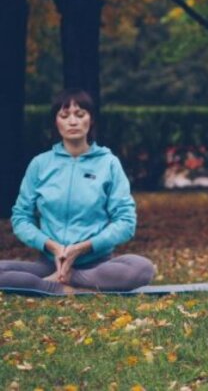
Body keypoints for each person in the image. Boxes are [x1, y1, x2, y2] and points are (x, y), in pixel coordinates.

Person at [0, 89, 155, 294]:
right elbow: (20, 217)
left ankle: (68, 279)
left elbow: (126, 222)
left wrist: (83, 248)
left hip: (97, 265)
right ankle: (53, 286)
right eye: (64, 116)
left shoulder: (108, 163)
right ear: (56, 122)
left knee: (142, 269)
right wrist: (52, 246)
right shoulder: (40, 164)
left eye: (80, 114)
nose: (72, 121)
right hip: (49, 263)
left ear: (91, 120)